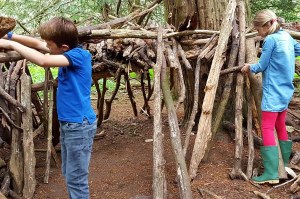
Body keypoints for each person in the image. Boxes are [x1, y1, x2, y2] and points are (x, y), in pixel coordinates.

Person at [0, 17, 97, 198]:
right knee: (69, 173)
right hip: (71, 124)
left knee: (76, 179)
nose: (46, 46)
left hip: (79, 126)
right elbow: (37, 43)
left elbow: (42, 61)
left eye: (49, 44)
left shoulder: (79, 56)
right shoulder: (66, 51)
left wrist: (10, 45)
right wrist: (10, 36)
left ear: (63, 47)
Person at [242, 9, 300, 184]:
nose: (258, 33)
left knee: (267, 127)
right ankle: (283, 163)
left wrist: (248, 67)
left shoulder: (270, 40)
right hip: (285, 91)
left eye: (258, 29)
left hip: (272, 91)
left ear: (266, 26)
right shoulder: (287, 38)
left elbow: (261, 66)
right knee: (280, 125)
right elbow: (296, 50)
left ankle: (271, 172)